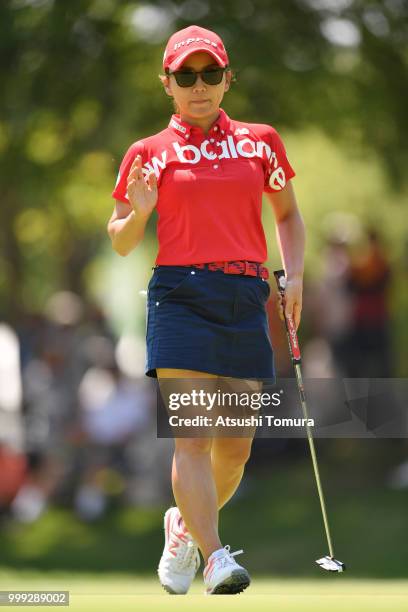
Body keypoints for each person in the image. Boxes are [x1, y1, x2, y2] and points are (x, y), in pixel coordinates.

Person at [108, 25, 305, 595]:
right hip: (181, 298)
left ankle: (185, 527)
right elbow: (120, 238)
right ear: (168, 83)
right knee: (192, 435)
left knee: (236, 446)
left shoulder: (260, 140)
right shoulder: (147, 153)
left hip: (246, 297)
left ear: (227, 79)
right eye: (186, 76)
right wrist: (140, 212)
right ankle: (216, 555)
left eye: (210, 74)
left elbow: (288, 216)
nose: (200, 86)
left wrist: (294, 276)